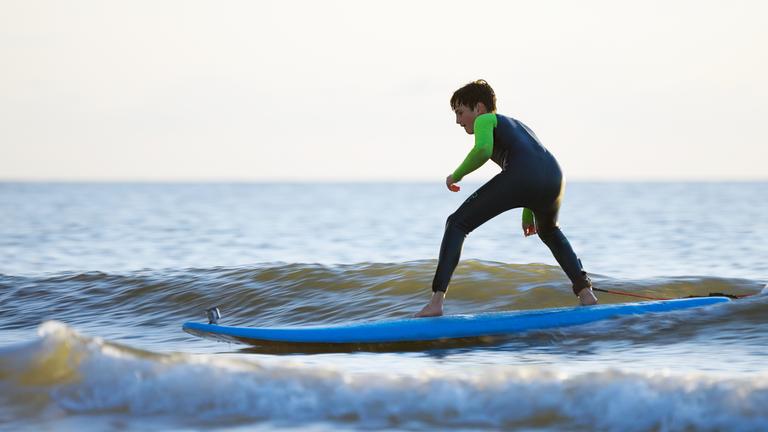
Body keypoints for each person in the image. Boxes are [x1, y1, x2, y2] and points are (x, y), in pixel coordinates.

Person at [415, 79, 598, 318]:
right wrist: (529, 211)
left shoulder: (485, 120)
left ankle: (436, 302)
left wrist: (455, 175)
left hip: (525, 175)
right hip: (554, 177)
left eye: (460, 113)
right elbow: (535, 161)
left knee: (456, 223)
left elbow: (483, 150)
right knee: (550, 232)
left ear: (478, 108)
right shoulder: (518, 125)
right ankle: (586, 294)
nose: (458, 121)